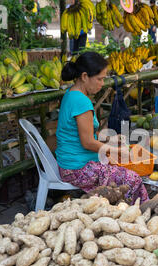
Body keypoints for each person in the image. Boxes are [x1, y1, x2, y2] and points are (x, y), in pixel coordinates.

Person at [56, 52, 149, 204]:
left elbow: (86, 132)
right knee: (133, 179)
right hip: (76, 169)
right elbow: (87, 142)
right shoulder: (80, 101)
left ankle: (117, 206)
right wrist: (117, 151)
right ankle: (141, 212)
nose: (102, 83)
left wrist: (110, 138)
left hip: (69, 163)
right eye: (99, 79)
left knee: (118, 169)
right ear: (85, 76)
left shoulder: (71, 93)